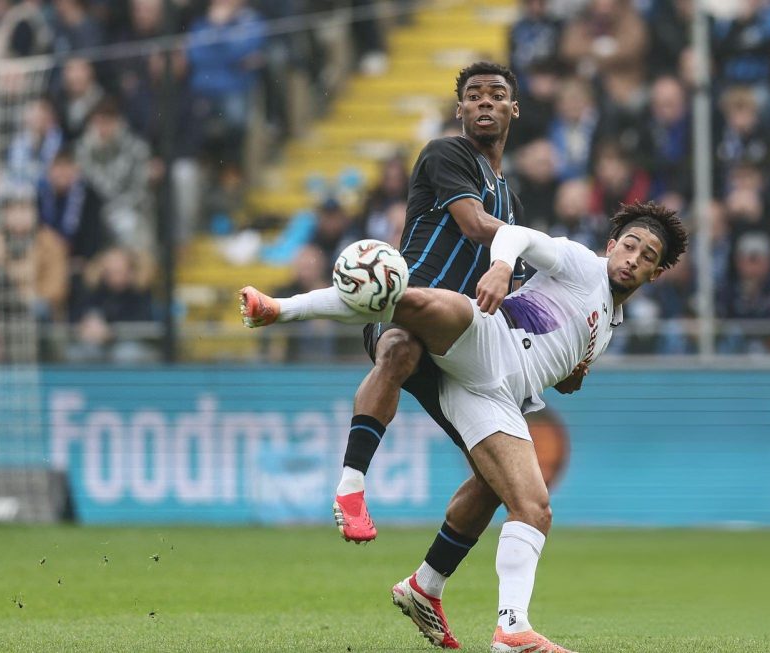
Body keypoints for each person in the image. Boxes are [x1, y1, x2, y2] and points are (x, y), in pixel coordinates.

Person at [239, 201, 688, 652]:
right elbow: (519, 236)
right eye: (629, 246)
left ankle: (483, 615)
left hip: (494, 398)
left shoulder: (610, 321)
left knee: (532, 508)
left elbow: (566, 337)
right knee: (403, 299)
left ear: (655, 274)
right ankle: (278, 307)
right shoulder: (579, 263)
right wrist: (501, 267)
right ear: (611, 246)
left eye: (647, 257)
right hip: (487, 337)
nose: (633, 259)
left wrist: (572, 368)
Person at [329, 62, 526, 548]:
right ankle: (351, 486)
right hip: (407, 309)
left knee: (496, 477)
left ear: (513, 109)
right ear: (459, 109)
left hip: (458, 345)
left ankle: (426, 587)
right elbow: (475, 226)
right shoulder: (447, 154)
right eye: (474, 95)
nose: (484, 102)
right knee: (401, 347)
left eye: (496, 94)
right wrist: (540, 245)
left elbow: (517, 297)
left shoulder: (513, 204)